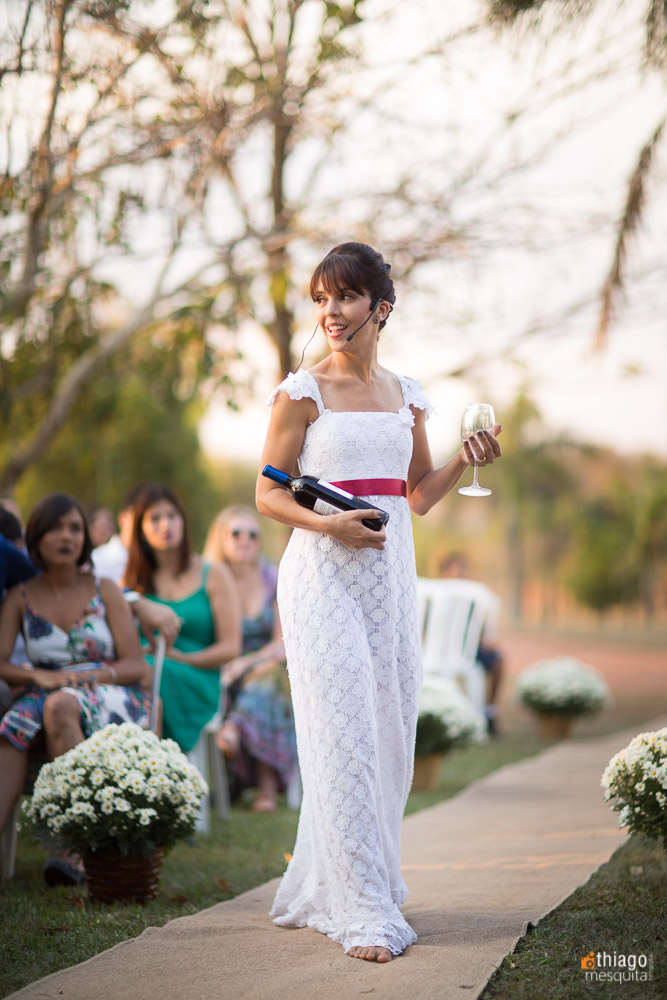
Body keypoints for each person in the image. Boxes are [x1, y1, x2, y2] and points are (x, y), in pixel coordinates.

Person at [256, 242, 502, 963]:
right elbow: (268, 492)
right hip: (320, 575)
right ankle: (359, 907)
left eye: (344, 298)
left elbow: (417, 497)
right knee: (344, 733)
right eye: (321, 299)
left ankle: (354, 872)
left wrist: (464, 460)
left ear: (380, 306)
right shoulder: (300, 392)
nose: (330, 312)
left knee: (389, 730)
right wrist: (326, 523)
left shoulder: (408, 395)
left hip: (389, 578)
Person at [0, 493, 150, 885]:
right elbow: (1, 662)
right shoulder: (20, 596)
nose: (66, 537)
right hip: (45, 686)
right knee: (12, 724)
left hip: (110, 692)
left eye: (74, 528)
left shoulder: (105, 589)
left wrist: (89, 678)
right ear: (36, 536)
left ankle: (74, 849)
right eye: (55, 528)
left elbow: (136, 665)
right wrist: (38, 677)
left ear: (85, 538)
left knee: (59, 707)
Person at [123, 484, 242, 753]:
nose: (166, 524)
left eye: (172, 516)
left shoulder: (214, 574)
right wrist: (136, 600)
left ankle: (154, 768)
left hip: (198, 677)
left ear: (183, 521)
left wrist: (181, 657)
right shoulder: (133, 581)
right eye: (155, 519)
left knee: (148, 672)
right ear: (140, 530)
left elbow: (231, 647)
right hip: (144, 672)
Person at [204, 505, 297, 812]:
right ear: (222, 540)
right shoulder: (210, 580)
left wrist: (248, 662)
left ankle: (233, 728)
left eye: (252, 535)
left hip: (264, 663)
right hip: (223, 667)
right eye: (236, 534)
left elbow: (281, 640)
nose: (245, 540)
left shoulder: (272, 576)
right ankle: (264, 791)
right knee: (262, 683)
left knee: (269, 678)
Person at [437, 550, 504, 736]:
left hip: (470, 648)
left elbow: (485, 625)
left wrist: (487, 638)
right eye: (455, 570)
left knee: (498, 660)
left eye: (463, 570)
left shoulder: (475, 597)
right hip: (441, 649)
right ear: (445, 573)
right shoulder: (437, 595)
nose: (460, 574)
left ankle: (489, 711)